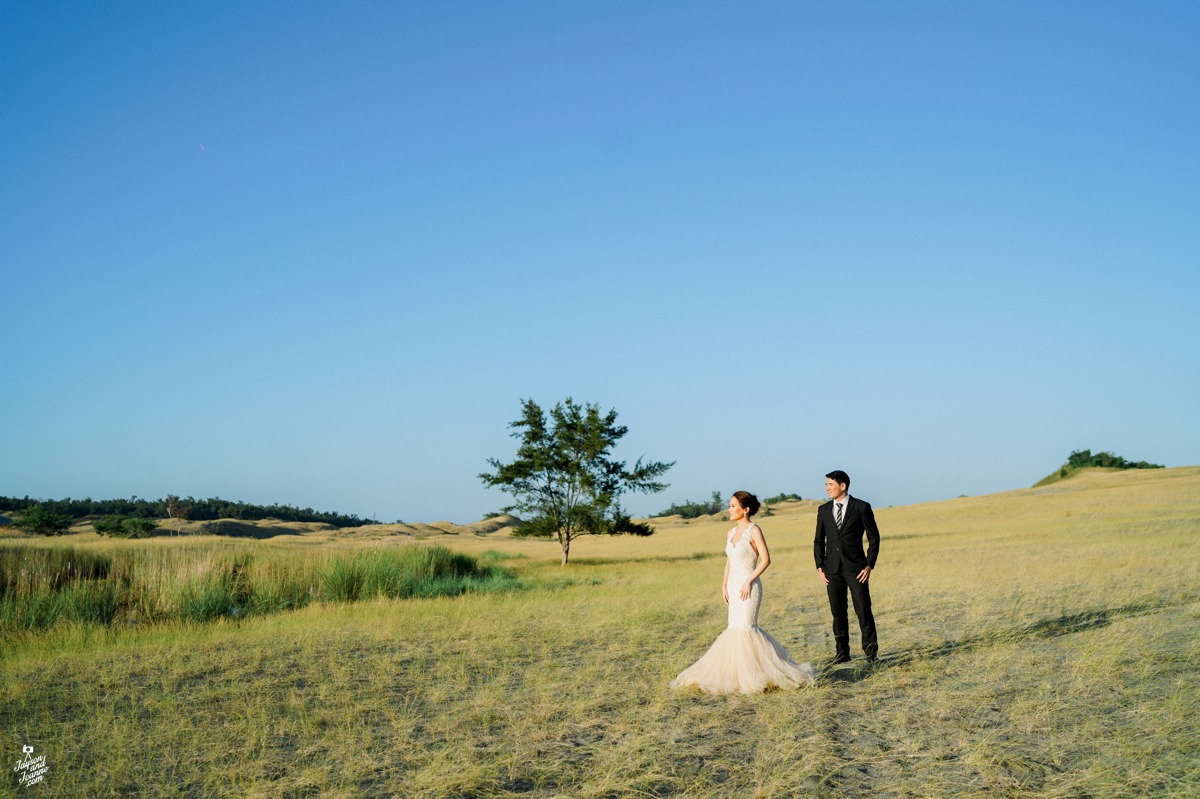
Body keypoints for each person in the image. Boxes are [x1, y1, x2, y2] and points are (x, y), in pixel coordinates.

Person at [670, 491, 815, 694]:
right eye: (729, 506)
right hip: (732, 587)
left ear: (745, 510)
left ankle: (759, 675)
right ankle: (736, 676)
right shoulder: (730, 533)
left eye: (733, 506)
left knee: (747, 628)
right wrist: (723, 585)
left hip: (749, 587)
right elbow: (729, 561)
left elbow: (766, 559)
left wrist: (748, 581)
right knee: (734, 628)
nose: (729, 509)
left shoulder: (754, 530)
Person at [814, 470, 880, 664]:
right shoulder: (823, 510)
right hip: (831, 570)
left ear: (842, 486)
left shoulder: (861, 507)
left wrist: (869, 565)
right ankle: (842, 654)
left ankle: (871, 654)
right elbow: (819, 540)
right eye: (826, 485)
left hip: (857, 569)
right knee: (838, 612)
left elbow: (874, 538)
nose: (827, 488)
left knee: (863, 610)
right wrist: (820, 566)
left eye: (830, 484)